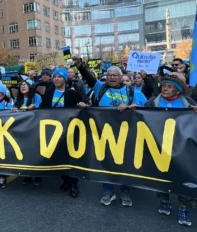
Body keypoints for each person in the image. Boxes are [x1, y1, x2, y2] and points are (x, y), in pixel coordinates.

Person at [72, 56, 147, 206]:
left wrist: (132, 107)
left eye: (115, 75)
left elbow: (148, 110)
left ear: (121, 77)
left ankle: (125, 191)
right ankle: (108, 190)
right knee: (106, 162)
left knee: (126, 163)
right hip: (104, 133)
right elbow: (89, 78)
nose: (112, 77)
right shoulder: (101, 88)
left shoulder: (132, 92)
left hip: (127, 134)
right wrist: (79, 66)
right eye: (109, 75)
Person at [144, 74, 197, 227]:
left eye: (170, 87)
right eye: (164, 86)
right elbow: (140, 116)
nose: (165, 89)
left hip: (182, 148)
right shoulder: (153, 102)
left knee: (184, 176)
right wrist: (133, 108)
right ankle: (164, 200)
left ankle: (183, 207)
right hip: (159, 146)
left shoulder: (188, 103)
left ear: (178, 90)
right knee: (161, 175)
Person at [40, 68, 85, 198]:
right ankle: (65, 181)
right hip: (53, 132)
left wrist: (83, 105)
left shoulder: (73, 94)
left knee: (70, 159)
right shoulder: (48, 93)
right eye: (54, 77)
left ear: (65, 79)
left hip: (69, 132)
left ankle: (73, 184)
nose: (56, 79)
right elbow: (42, 109)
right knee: (57, 157)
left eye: (59, 77)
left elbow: (83, 108)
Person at [13, 80, 42, 186]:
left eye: (25, 84)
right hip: (22, 129)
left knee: (36, 152)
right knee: (25, 152)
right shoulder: (17, 99)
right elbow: (15, 109)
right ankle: (27, 175)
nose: (23, 86)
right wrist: (14, 110)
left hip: (34, 127)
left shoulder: (36, 97)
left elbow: (39, 107)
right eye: (21, 85)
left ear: (30, 86)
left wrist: (31, 107)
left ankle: (38, 175)